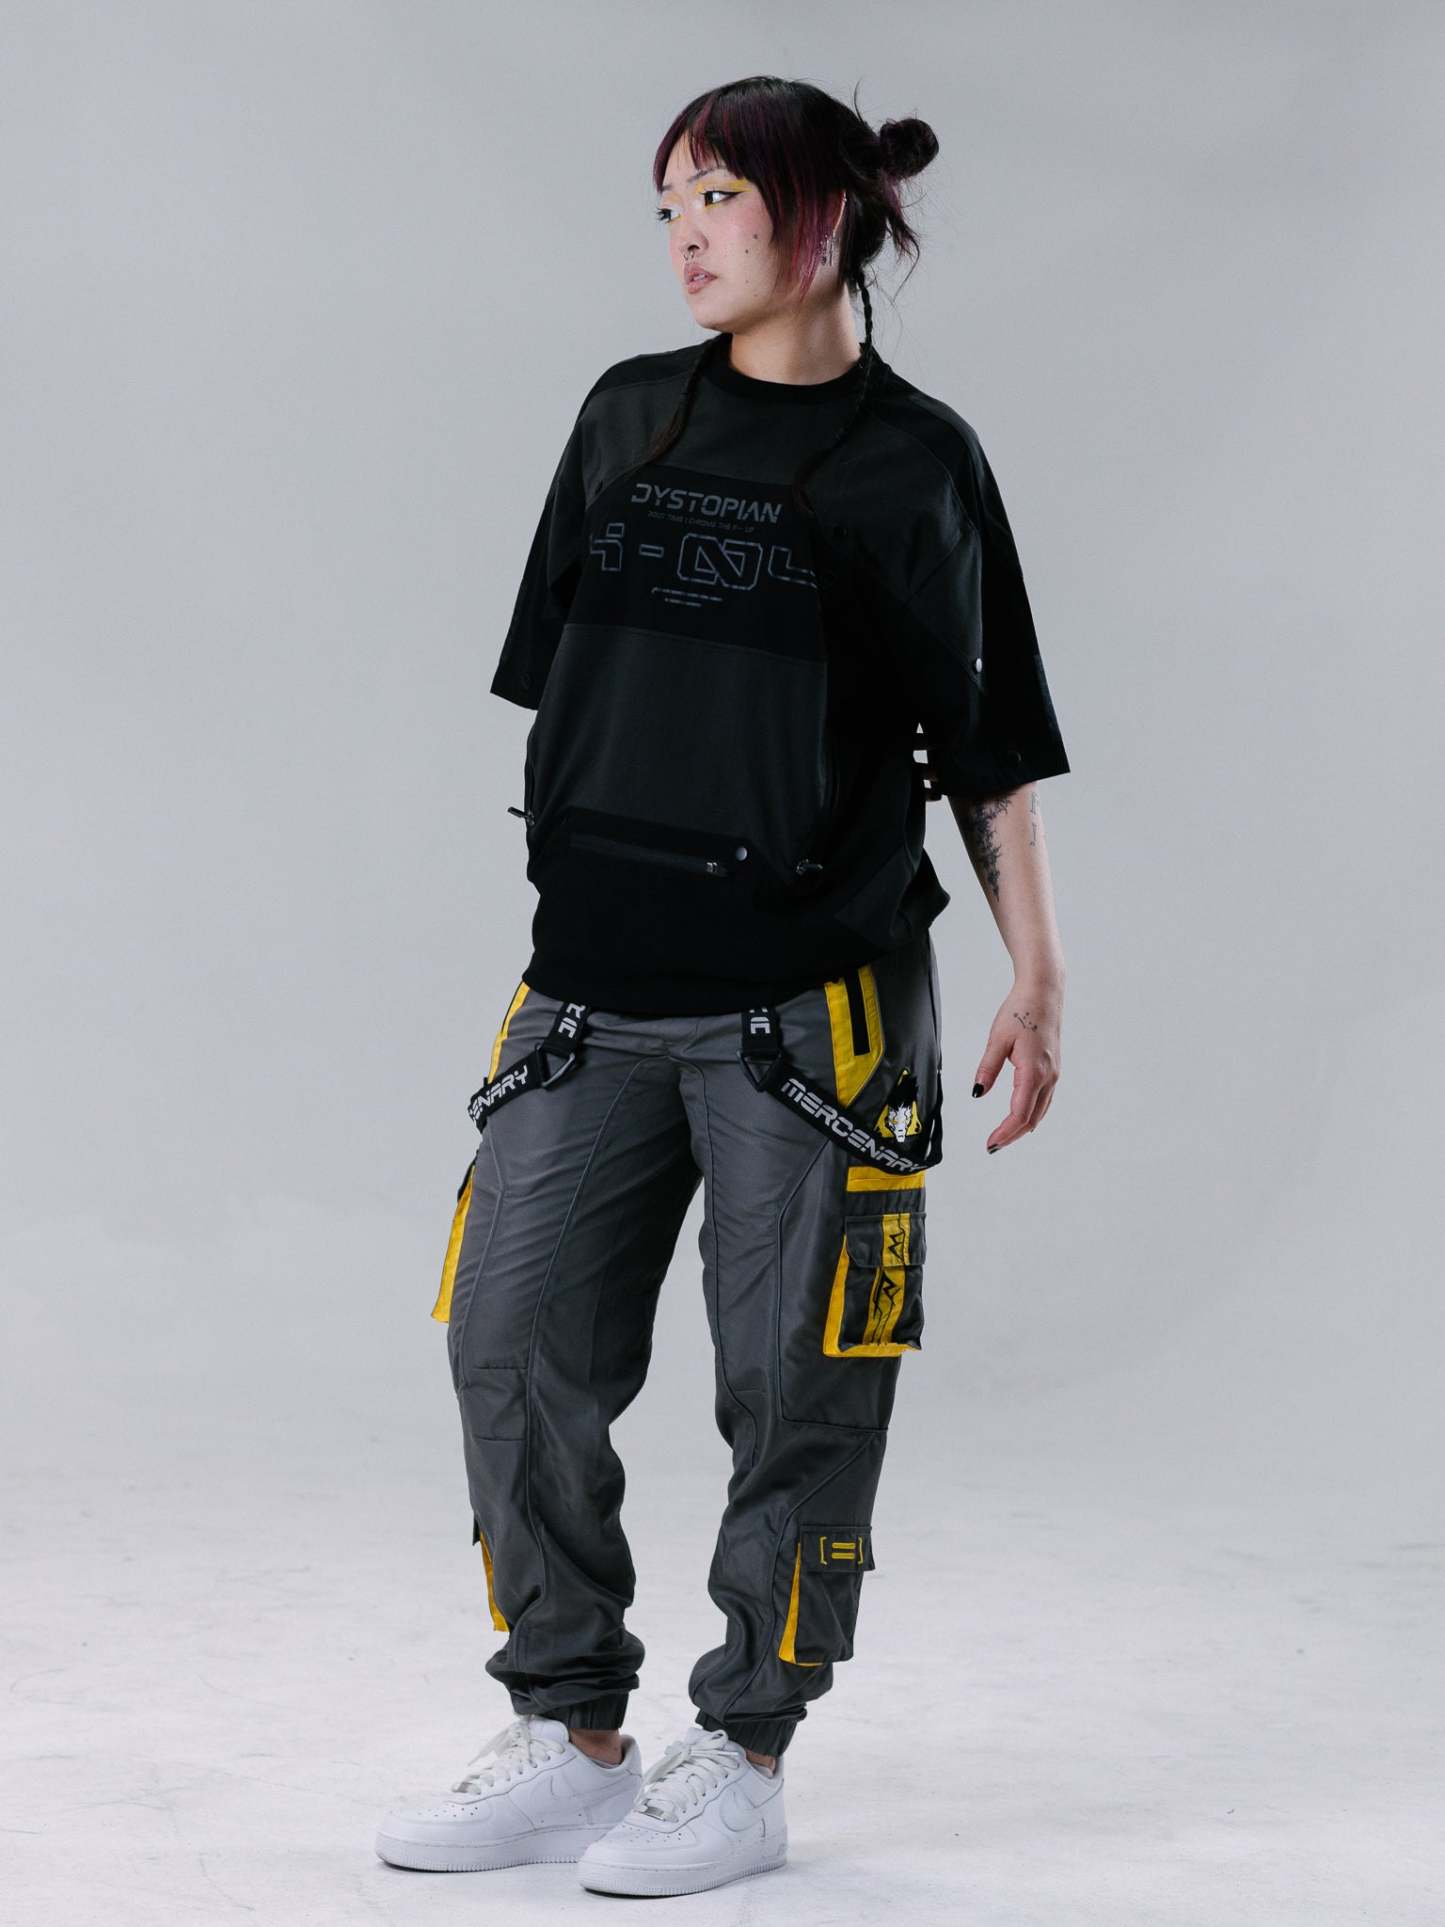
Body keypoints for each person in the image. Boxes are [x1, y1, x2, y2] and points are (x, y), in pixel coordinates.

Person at [375, 73, 1070, 1899]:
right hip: (586, 998)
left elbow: (985, 746)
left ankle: (745, 1753)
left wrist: (1037, 970)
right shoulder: (625, 415)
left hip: (810, 1019)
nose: (683, 235)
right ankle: (569, 1730)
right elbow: (582, 690)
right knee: (508, 1343)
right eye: (667, 203)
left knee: (798, 1389)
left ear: (822, 220)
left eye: (718, 200)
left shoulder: (917, 463)